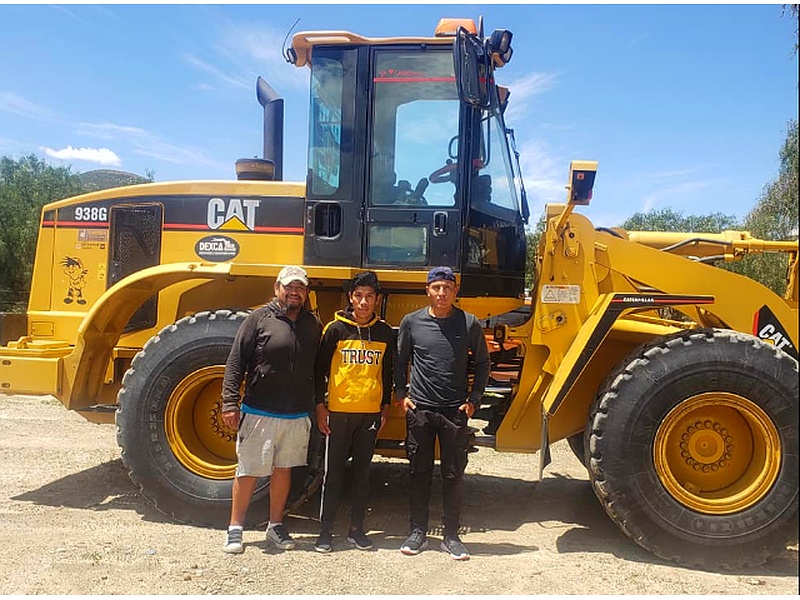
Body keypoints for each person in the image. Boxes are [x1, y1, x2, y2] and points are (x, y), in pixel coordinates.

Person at [220, 265, 322, 554]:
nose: (294, 292)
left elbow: (316, 369)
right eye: (289, 286)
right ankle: (235, 529)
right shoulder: (258, 319)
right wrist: (230, 402)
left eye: (300, 288)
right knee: (248, 470)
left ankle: (275, 526)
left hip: (296, 414)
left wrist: (317, 406)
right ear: (277, 288)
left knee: (283, 470)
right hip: (259, 410)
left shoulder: (312, 325)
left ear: (306, 292)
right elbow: (235, 362)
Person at [394, 266, 489, 561]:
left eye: (448, 287)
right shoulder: (412, 322)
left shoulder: (469, 323)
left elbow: (484, 364)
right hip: (421, 409)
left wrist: (474, 399)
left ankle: (451, 536)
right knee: (419, 472)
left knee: (453, 474)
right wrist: (401, 395)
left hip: (453, 412)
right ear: (428, 290)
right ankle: (418, 532)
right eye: (436, 287)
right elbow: (399, 361)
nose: (442, 292)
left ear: (455, 291)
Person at [313, 271, 395, 553]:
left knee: (362, 475)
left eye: (369, 297)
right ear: (350, 298)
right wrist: (320, 407)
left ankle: (357, 530)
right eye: (358, 296)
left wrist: (384, 408)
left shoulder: (385, 333)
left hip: (369, 415)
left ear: (377, 299)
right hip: (338, 414)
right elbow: (319, 371)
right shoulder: (335, 330)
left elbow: (388, 372)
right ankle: (325, 532)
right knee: (332, 474)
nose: (363, 302)